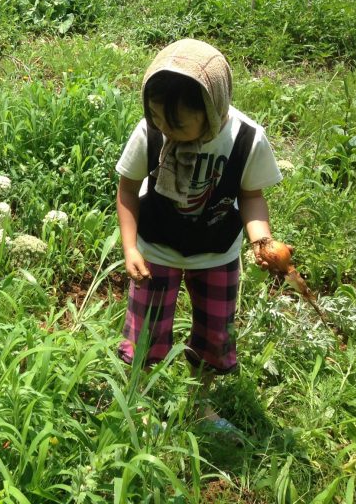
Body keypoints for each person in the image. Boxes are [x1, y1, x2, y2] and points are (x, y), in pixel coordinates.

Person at [115, 38, 283, 432]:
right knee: (146, 333)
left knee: (214, 332)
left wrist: (261, 240)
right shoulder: (151, 133)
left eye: (177, 123)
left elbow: (251, 195)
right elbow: (127, 188)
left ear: (212, 110)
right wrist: (129, 246)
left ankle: (200, 405)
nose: (164, 128)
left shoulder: (246, 139)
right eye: (156, 116)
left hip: (217, 251)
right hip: (156, 247)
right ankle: (138, 401)